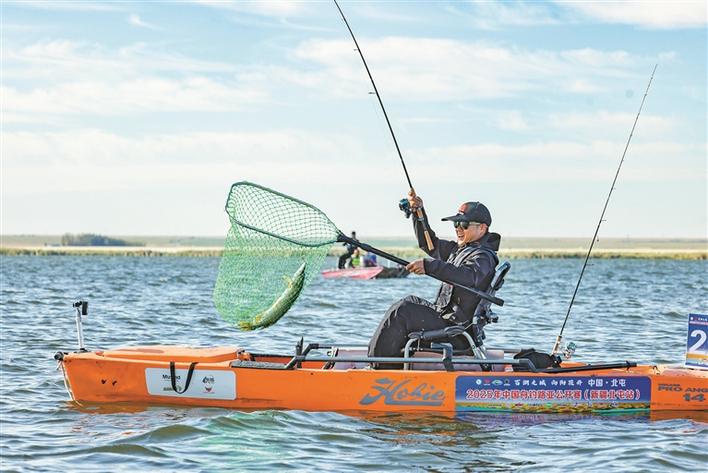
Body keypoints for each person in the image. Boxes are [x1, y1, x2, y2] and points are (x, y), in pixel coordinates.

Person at [368, 192, 501, 369]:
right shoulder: (461, 250)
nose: (458, 229)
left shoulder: (483, 257)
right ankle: (390, 362)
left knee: (403, 311)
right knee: (408, 301)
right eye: (456, 224)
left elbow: (468, 276)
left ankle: (378, 368)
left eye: (464, 224)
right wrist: (418, 213)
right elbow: (429, 244)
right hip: (446, 320)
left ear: (482, 228)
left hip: (456, 332)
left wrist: (429, 266)